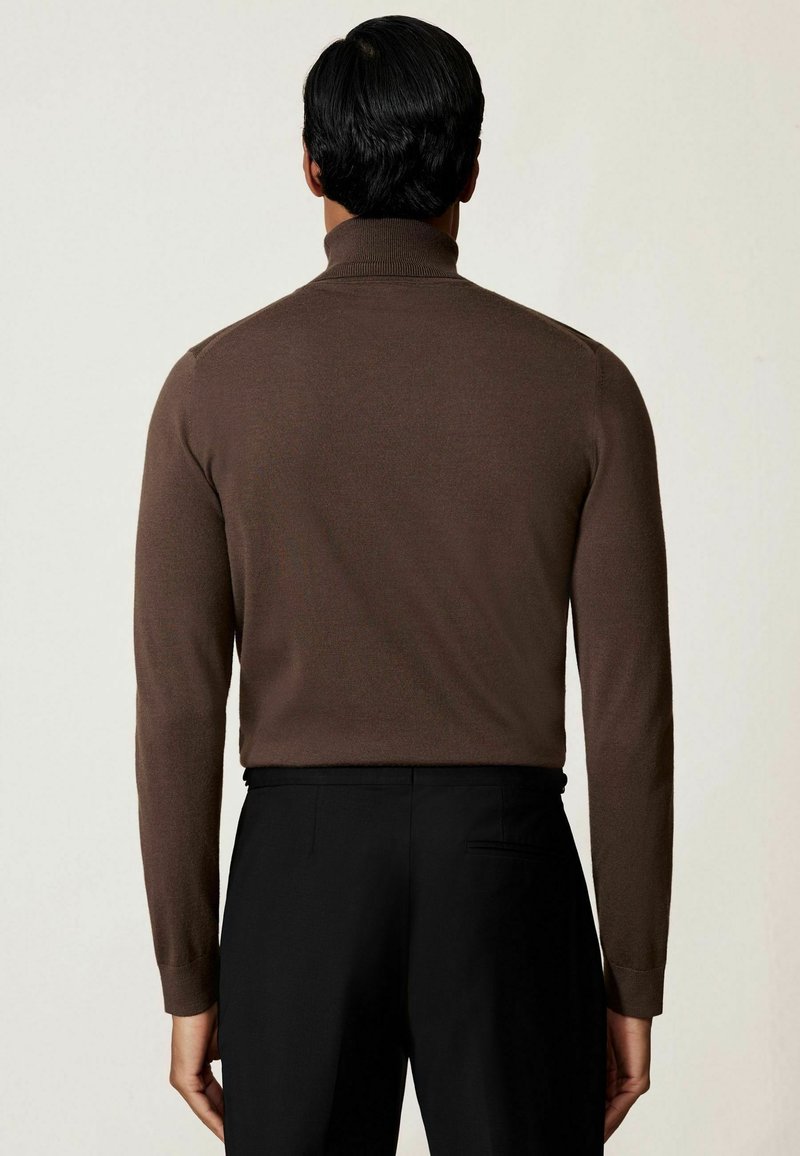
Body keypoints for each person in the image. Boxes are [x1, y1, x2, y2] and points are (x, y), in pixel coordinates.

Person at [133, 14, 674, 1155]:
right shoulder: (585, 386)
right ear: (470, 169)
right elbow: (628, 711)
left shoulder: (210, 389)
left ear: (310, 166)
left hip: (299, 874)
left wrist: (189, 975)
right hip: (506, 869)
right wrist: (630, 975)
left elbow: (177, 705)